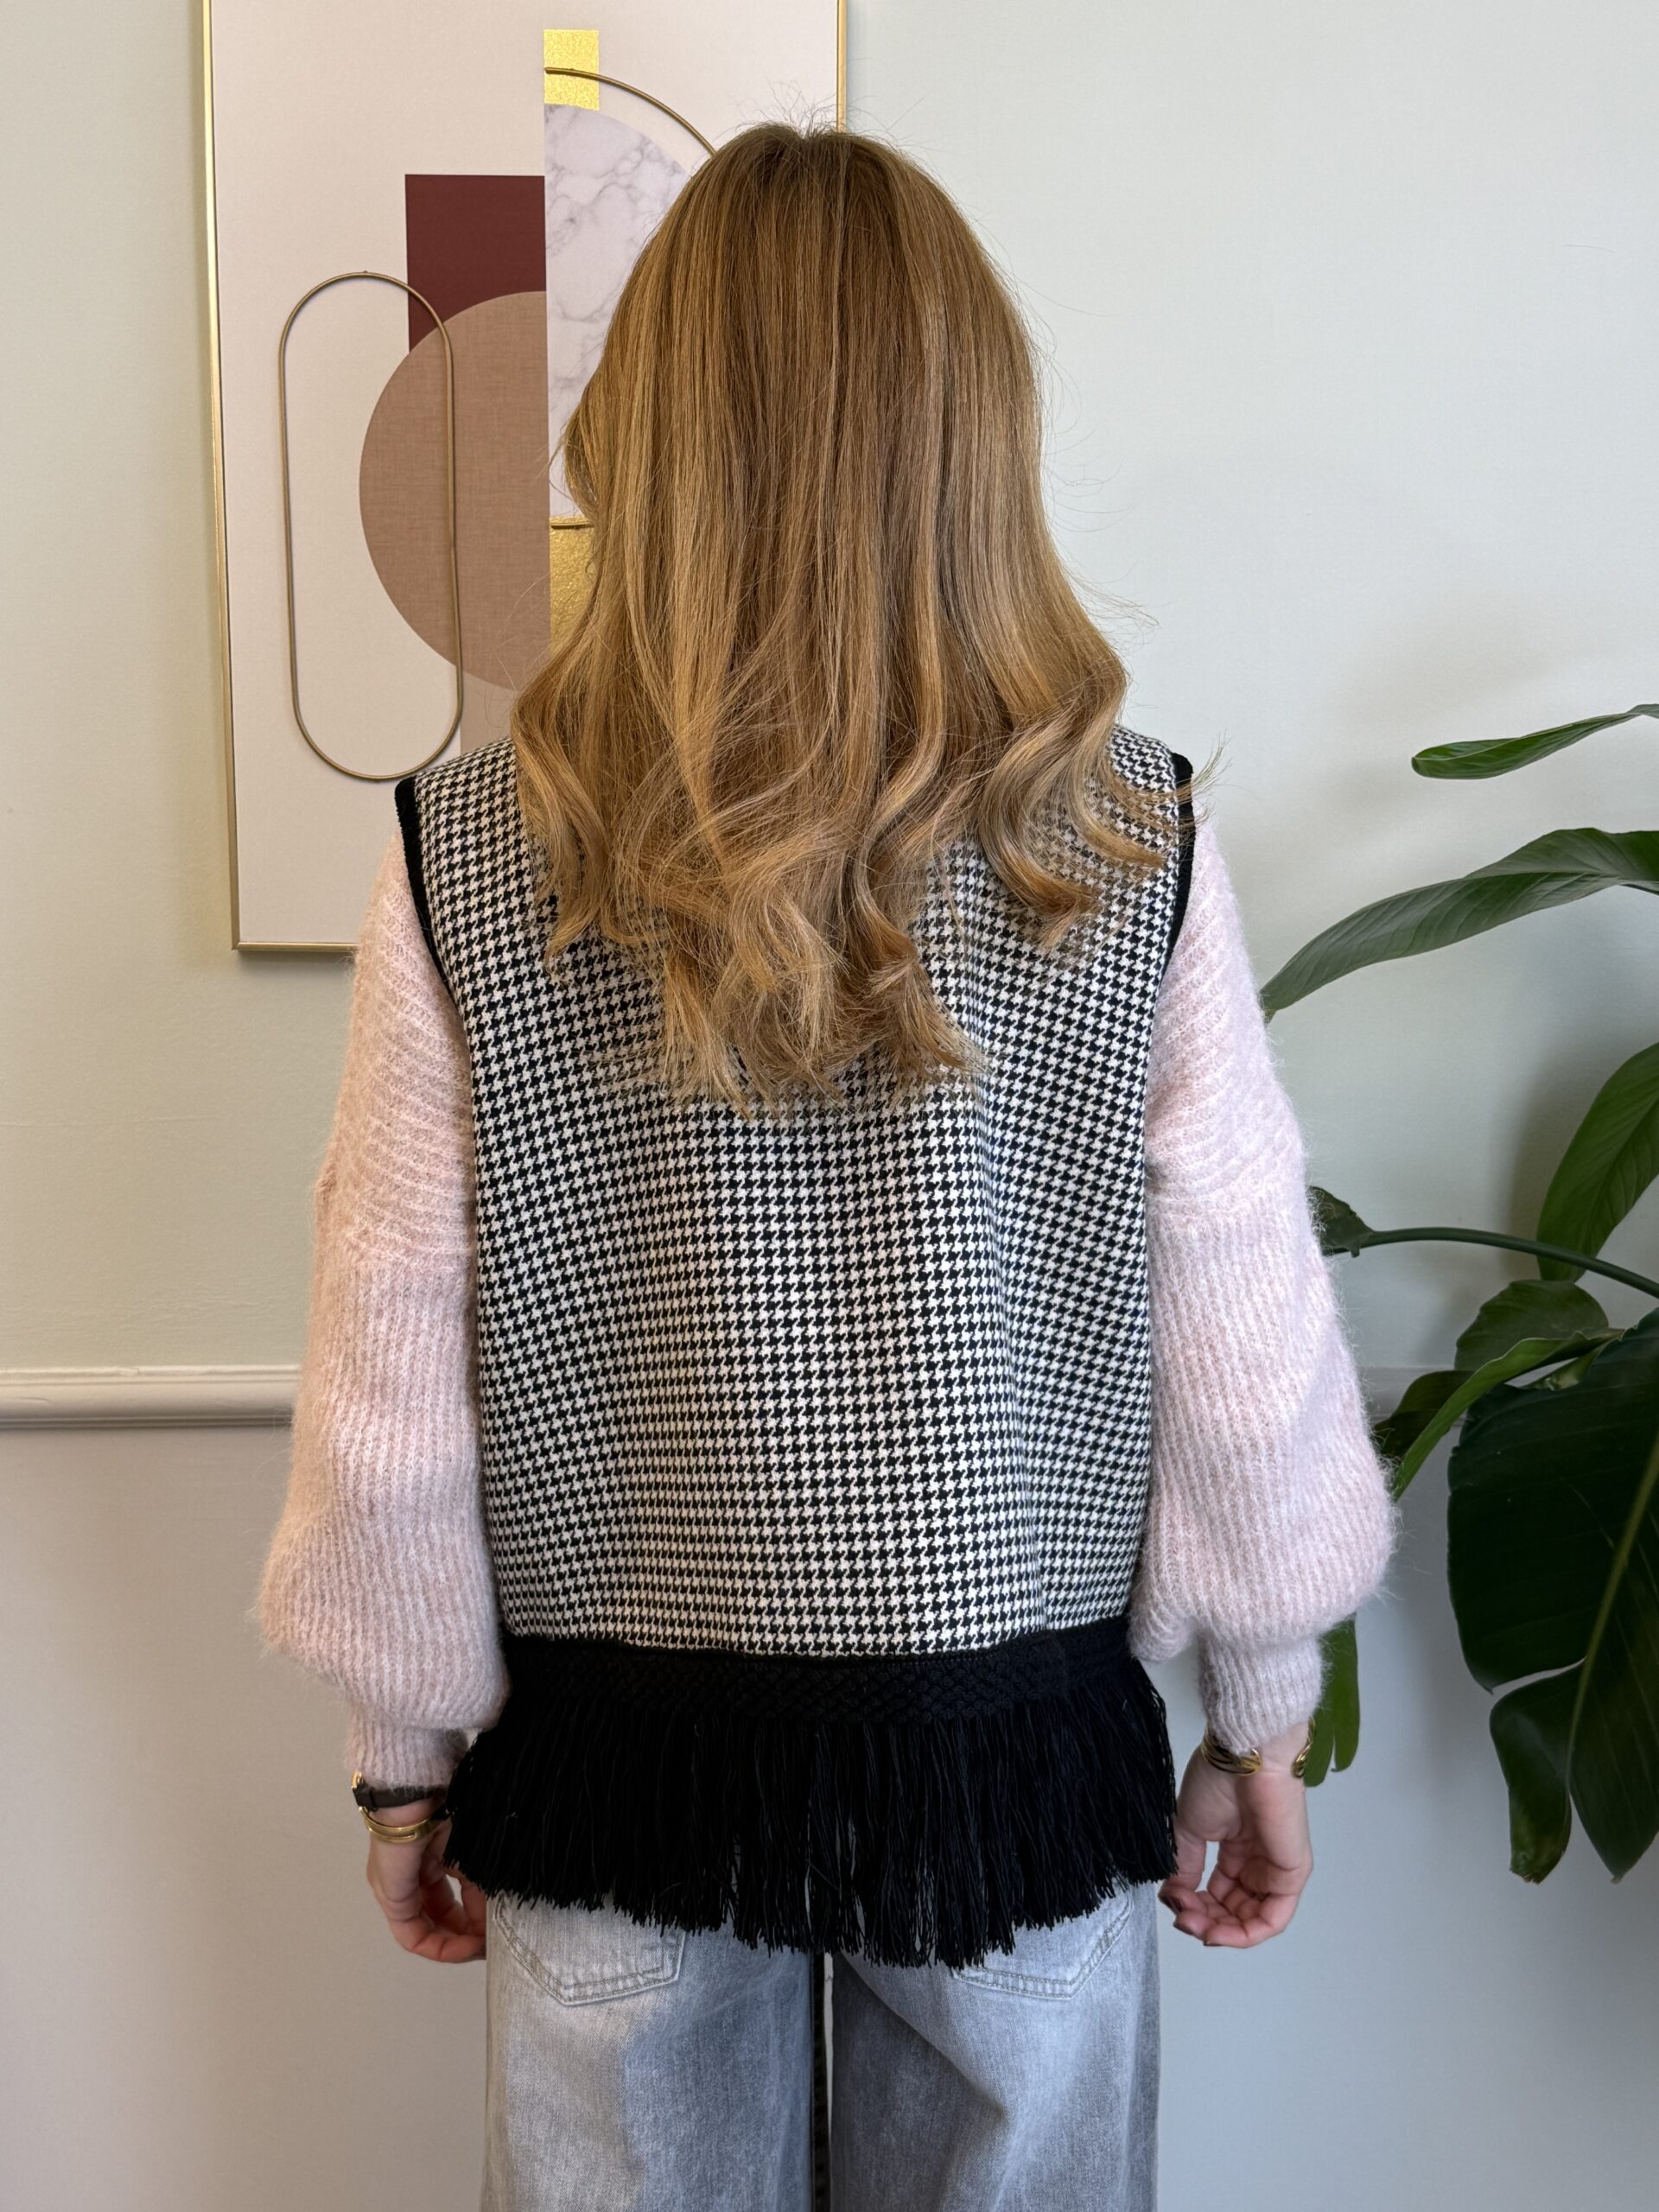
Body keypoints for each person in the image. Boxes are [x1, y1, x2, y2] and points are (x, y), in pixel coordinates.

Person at [255, 118, 1397, 2212]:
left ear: (642, 443)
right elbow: (1236, 1329)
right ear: (977, 442)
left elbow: (392, 1358)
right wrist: (1260, 1714)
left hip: (617, 1771)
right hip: (1007, 1761)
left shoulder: (471, 847)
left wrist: (402, 1760)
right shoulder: (1128, 835)